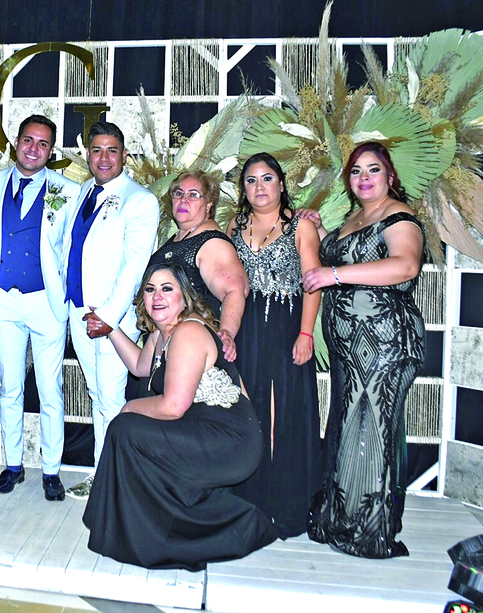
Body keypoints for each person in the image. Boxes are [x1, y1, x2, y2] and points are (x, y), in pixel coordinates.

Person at [82, 262, 277, 571]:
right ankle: (145, 528)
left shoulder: (188, 331)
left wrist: (128, 409)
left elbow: (174, 406)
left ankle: (165, 533)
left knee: (125, 428)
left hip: (229, 440)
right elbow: (140, 367)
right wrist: (111, 329)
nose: (157, 296)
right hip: (203, 429)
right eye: (150, 290)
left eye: (167, 288)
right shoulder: (160, 336)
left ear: (185, 298)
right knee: (128, 428)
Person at [301, 142, 426, 559]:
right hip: (350, 347)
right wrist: (321, 231)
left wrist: (333, 274)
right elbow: (348, 254)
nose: (364, 177)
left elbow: (405, 265)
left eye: (373, 169)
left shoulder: (398, 215)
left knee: (374, 429)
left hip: (386, 342)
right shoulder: (355, 218)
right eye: (356, 171)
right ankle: (341, 519)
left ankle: (370, 530)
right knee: (349, 426)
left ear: (390, 176)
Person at [0, 115, 79, 501]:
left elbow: (71, 248)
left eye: (42, 143)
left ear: (50, 151)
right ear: (16, 142)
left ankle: (52, 470)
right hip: (3, 299)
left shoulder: (68, 191)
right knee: (9, 387)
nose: (34, 149)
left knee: (50, 389)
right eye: (28, 140)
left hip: (46, 302)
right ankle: (13, 465)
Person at [227, 153, 322, 538]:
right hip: (246, 329)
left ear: (281, 185)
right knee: (247, 408)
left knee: (283, 412)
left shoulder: (301, 226)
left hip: (286, 327)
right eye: (251, 180)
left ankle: (283, 503)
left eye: (267, 178)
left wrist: (306, 333)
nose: (259, 187)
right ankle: (251, 499)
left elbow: (313, 282)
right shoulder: (235, 226)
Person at [65, 121, 159, 499]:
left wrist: (107, 317)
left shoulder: (140, 200)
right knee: (96, 394)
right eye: (97, 150)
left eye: (112, 150)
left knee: (111, 400)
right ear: (88, 155)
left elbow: (134, 267)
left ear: (124, 156)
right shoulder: (84, 191)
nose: (104, 158)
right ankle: (103, 472)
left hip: (111, 320)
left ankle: (111, 480)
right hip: (77, 310)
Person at [148, 170, 248, 361]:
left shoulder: (211, 242)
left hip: (192, 350)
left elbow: (236, 288)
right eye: (178, 193)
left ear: (208, 204)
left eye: (193, 195)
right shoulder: (181, 237)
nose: (183, 200)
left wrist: (227, 333)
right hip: (170, 346)